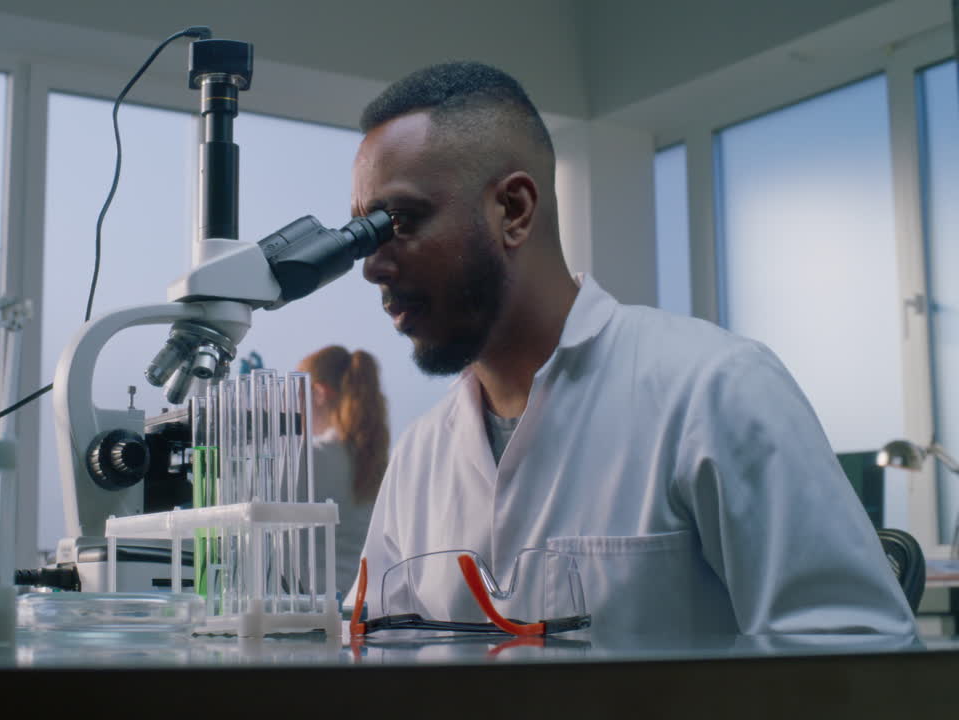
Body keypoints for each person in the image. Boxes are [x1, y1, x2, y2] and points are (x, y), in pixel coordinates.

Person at [350, 61, 914, 637]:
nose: (371, 265)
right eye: (363, 233)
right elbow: (374, 647)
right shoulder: (421, 455)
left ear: (514, 210)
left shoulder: (716, 389)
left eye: (400, 219)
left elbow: (856, 652)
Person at [298, 346, 389, 592]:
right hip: (364, 602)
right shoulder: (380, 460)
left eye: (297, 395)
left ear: (318, 393)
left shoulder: (308, 459)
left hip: (313, 606)